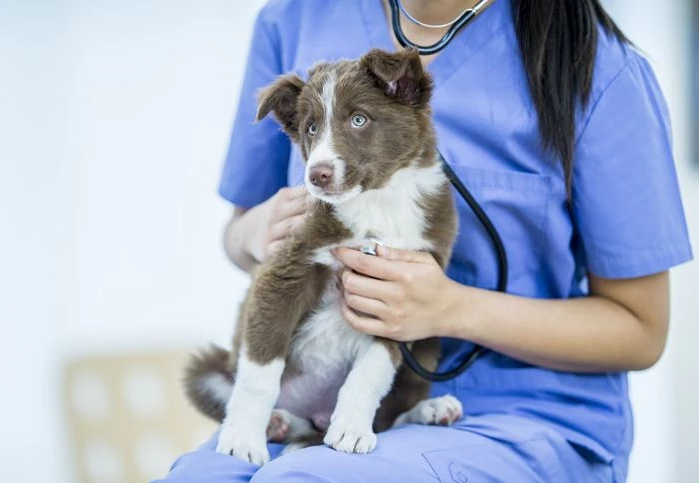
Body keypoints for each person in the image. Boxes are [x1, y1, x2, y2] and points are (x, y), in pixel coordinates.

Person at [156, 0, 693, 481]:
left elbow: (640, 331)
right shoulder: (295, 17)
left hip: (523, 414)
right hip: (314, 388)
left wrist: (449, 308)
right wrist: (253, 232)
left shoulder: (597, 67)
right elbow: (242, 233)